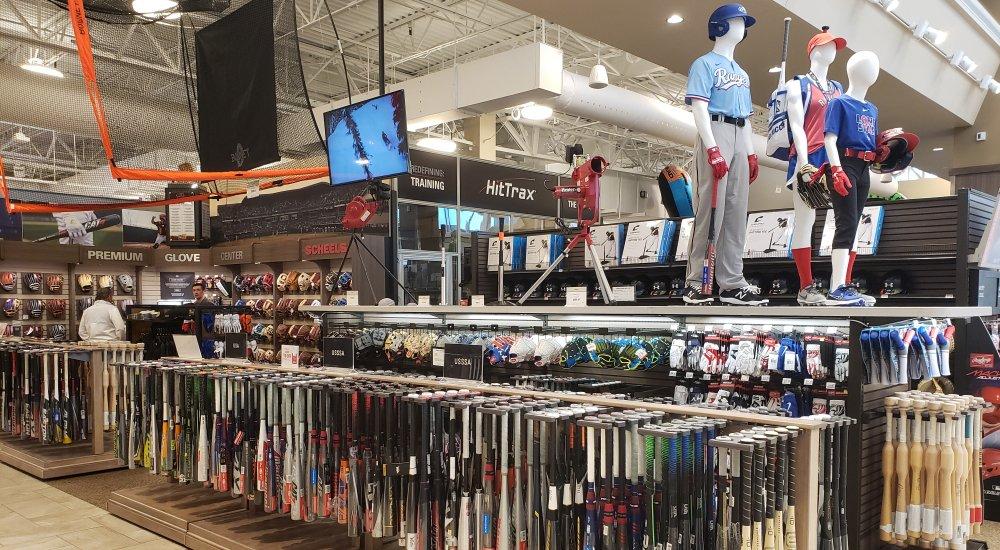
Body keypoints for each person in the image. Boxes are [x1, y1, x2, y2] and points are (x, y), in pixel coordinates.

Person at [682, 3, 767, 306]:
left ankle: (731, 282)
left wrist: (751, 153)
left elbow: (744, 117)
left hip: (737, 134)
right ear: (719, 26)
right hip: (714, 131)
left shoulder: (742, 74)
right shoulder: (703, 64)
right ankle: (695, 282)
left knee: (735, 213)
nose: (742, 27)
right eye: (736, 21)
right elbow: (699, 107)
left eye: (743, 22)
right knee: (709, 210)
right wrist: (712, 148)